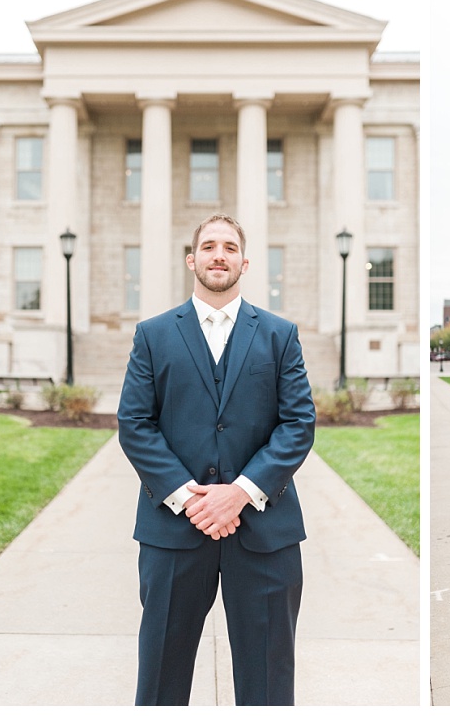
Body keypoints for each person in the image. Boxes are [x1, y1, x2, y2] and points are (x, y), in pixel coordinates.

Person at [118, 213, 316, 705]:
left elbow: (299, 424)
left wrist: (241, 493)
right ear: (192, 259)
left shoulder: (279, 334)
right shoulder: (153, 334)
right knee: (161, 674)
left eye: (229, 247)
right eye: (209, 246)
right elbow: (134, 424)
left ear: (245, 263)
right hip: (174, 532)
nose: (219, 255)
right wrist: (193, 500)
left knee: (268, 680)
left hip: (265, 533)